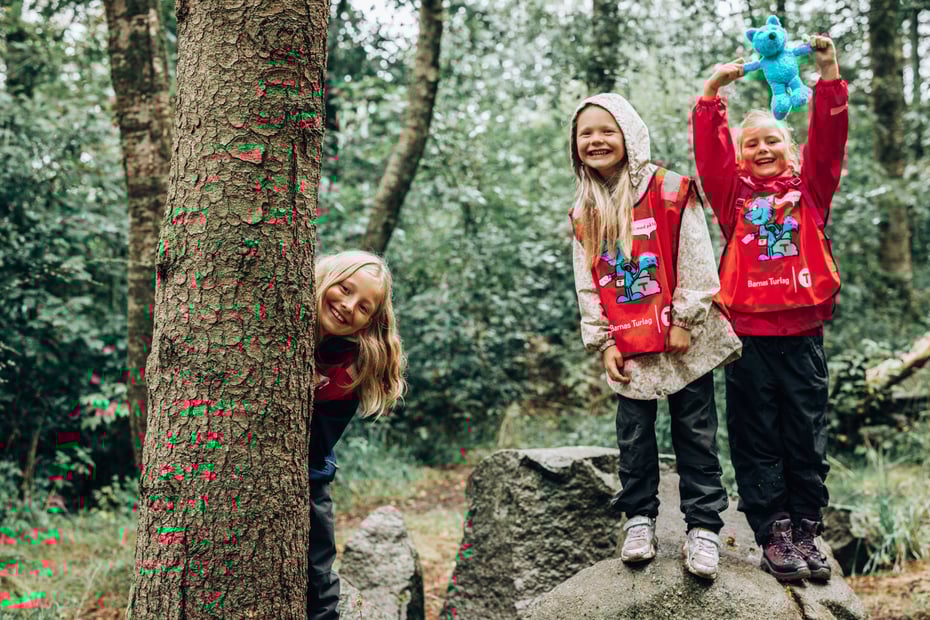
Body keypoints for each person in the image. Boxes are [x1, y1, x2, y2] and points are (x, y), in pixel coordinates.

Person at [691, 35, 847, 582]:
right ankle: (774, 530)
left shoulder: (810, 193)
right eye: (750, 143)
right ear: (740, 155)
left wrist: (828, 74)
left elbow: (830, 143)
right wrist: (712, 93)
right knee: (756, 432)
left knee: (805, 432)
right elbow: (709, 159)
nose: (761, 149)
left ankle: (806, 525)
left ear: (791, 149)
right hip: (749, 337)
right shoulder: (734, 200)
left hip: (803, 334)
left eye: (772, 142)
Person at [569, 93, 742, 580]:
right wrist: (602, 342)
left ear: (630, 133)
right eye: (586, 133)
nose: (596, 140)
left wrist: (686, 320)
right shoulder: (585, 212)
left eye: (607, 130)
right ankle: (640, 519)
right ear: (574, 145)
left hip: (682, 342)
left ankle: (704, 527)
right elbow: (587, 282)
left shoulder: (670, 189)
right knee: (634, 438)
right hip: (628, 344)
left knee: (696, 433)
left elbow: (696, 257)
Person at [308, 250, 407, 619]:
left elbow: (317, 446)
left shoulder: (350, 366)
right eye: (344, 289)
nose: (348, 306)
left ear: (368, 323)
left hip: (310, 476)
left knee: (318, 574)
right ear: (324, 279)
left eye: (364, 307)